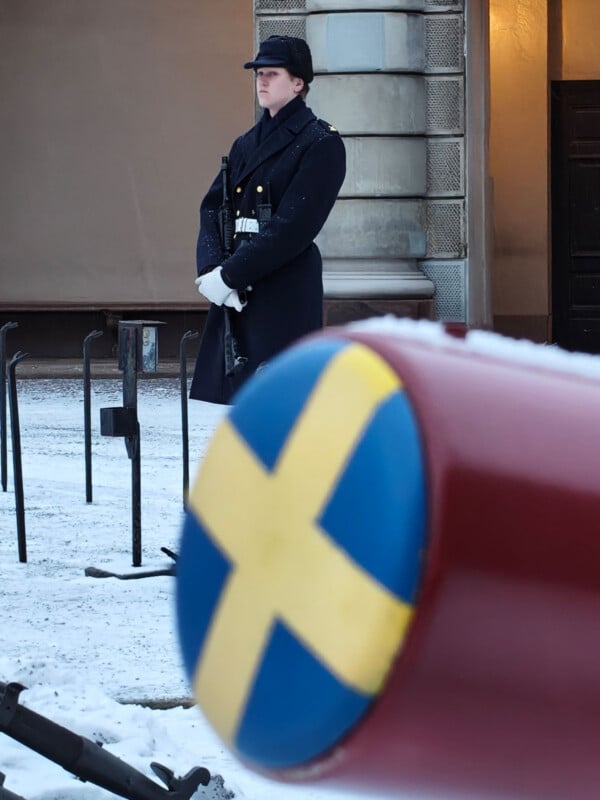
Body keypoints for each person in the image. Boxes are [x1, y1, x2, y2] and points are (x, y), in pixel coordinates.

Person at [189, 35, 346, 405]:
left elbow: (292, 227)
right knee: (238, 407)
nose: (261, 81)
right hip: (236, 293)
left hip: (282, 291)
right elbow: (213, 207)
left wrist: (230, 275)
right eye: (258, 73)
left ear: (298, 83)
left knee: (281, 409)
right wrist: (213, 270)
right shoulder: (246, 143)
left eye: (272, 74)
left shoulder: (320, 142)